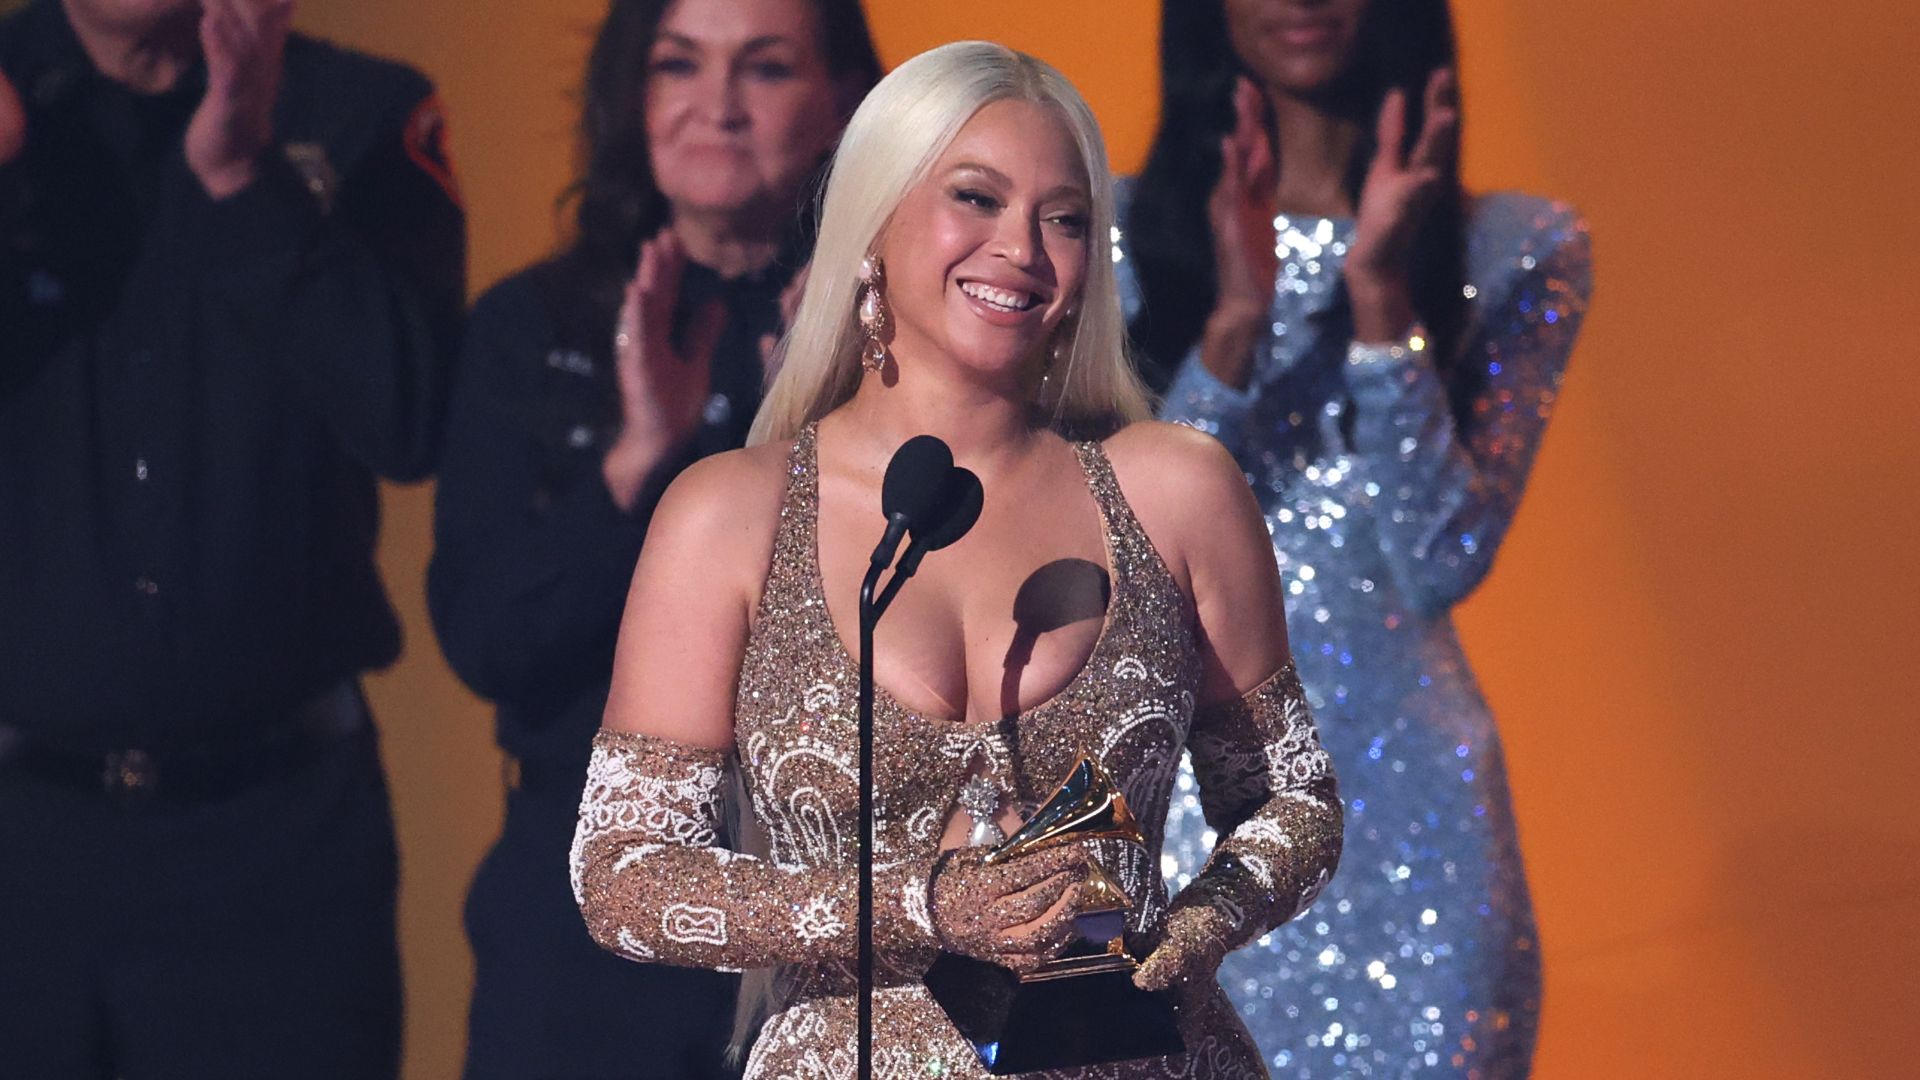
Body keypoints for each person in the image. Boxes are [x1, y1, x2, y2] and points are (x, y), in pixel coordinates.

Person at [566, 40, 1343, 1077]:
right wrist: (918, 903)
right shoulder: (730, 515)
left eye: (1064, 218)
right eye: (975, 198)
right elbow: (619, 877)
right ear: (873, 224)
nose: (1021, 247)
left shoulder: (1177, 490)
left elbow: (1294, 799)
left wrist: (1197, 926)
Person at [1115, 0, 1594, 1073]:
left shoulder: (1516, 249)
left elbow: (1438, 561)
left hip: (1415, 834)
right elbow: (1130, 553)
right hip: (1194, 821)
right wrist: (1239, 324)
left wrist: (1381, 300)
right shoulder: (1109, 231)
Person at [0, 0, 465, 1076]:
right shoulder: (13, 95)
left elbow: (411, 419)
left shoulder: (356, 114)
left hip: (280, 847)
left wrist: (246, 179)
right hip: (22, 842)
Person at [426, 0, 879, 1075]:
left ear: (844, 107)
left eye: (764, 69)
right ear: (635, 97)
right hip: (584, 916)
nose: (716, 108)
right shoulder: (529, 325)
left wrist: (820, 422)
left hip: (830, 899)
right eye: (681, 67)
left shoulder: (896, 332)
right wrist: (635, 460)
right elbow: (488, 641)